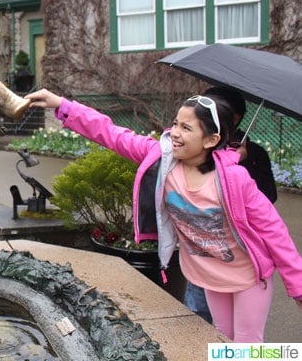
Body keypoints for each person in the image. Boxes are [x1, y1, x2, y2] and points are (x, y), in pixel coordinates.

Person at [25, 88, 302, 342]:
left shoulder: (234, 178)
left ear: (211, 139)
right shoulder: (162, 160)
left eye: (186, 127)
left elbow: (273, 230)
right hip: (212, 275)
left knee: (248, 347)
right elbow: (112, 134)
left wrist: (297, 285)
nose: (175, 133)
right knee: (222, 339)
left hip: (249, 277)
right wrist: (63, 106)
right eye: (175, 124)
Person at [184, 86, 278, 324]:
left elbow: (268, 201)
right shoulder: (197, 148)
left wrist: (240, 166)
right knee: (198, 315)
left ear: (234, 117)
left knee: (243, 334)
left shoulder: (253, 153)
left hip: (242, 258)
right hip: (205, 249)